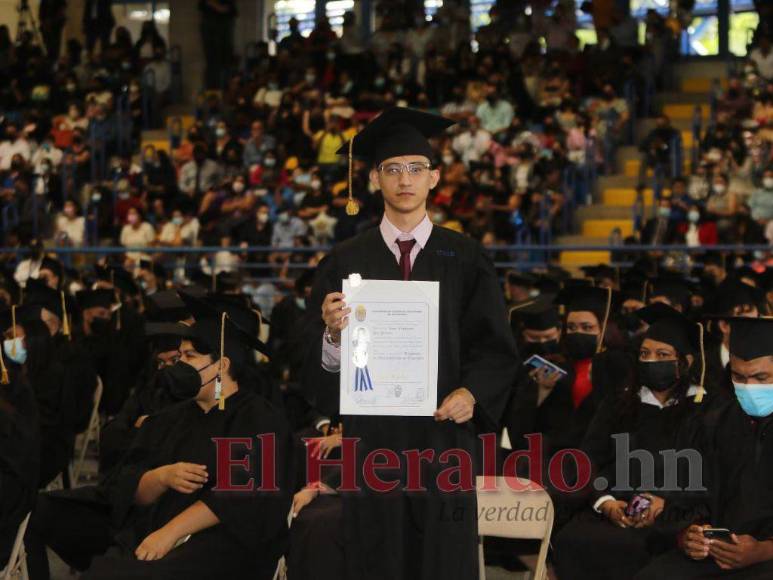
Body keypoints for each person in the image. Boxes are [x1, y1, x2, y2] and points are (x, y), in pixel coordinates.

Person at [307, 107, 519, 580]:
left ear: (434, 178)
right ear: (375, 179)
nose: (405, 179)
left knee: (443, 559)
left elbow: (495, 348)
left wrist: (472, 394)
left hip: (443, 438)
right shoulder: (345, 259)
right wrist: (332, 335)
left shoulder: (465, 256)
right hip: (373, 441)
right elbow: (313, 365)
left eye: (416, 168)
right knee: (374, 556)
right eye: (393, 169)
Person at [79, 308, 290, 580]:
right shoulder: (170, 418)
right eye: (180, 356)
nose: (180, 365)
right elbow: (129, 488)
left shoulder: (259, 419)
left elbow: (240, 498)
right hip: (156, 531)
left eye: (190, 356)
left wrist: (169, 534)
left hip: (223, 544)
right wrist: (161, 477)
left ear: (222, 365)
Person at [555, 303, 714, 579]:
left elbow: (715, 473)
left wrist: (666, 505)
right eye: (644, 353)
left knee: (654, 549)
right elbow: (589, 459)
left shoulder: (708, 408)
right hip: (615, 509)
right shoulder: (619, 403)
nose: (651, 360)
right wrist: (605, 503)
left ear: (685, 362)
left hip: (675, 515)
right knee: (573, 538)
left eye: (662, 354)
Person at [635, 317, 773, 578]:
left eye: (760, 377)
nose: (748, 387)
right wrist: (687, 536)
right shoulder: (712, 423)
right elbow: (683, 500)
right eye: (738, 377)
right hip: (714, 554)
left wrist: (764, 550)